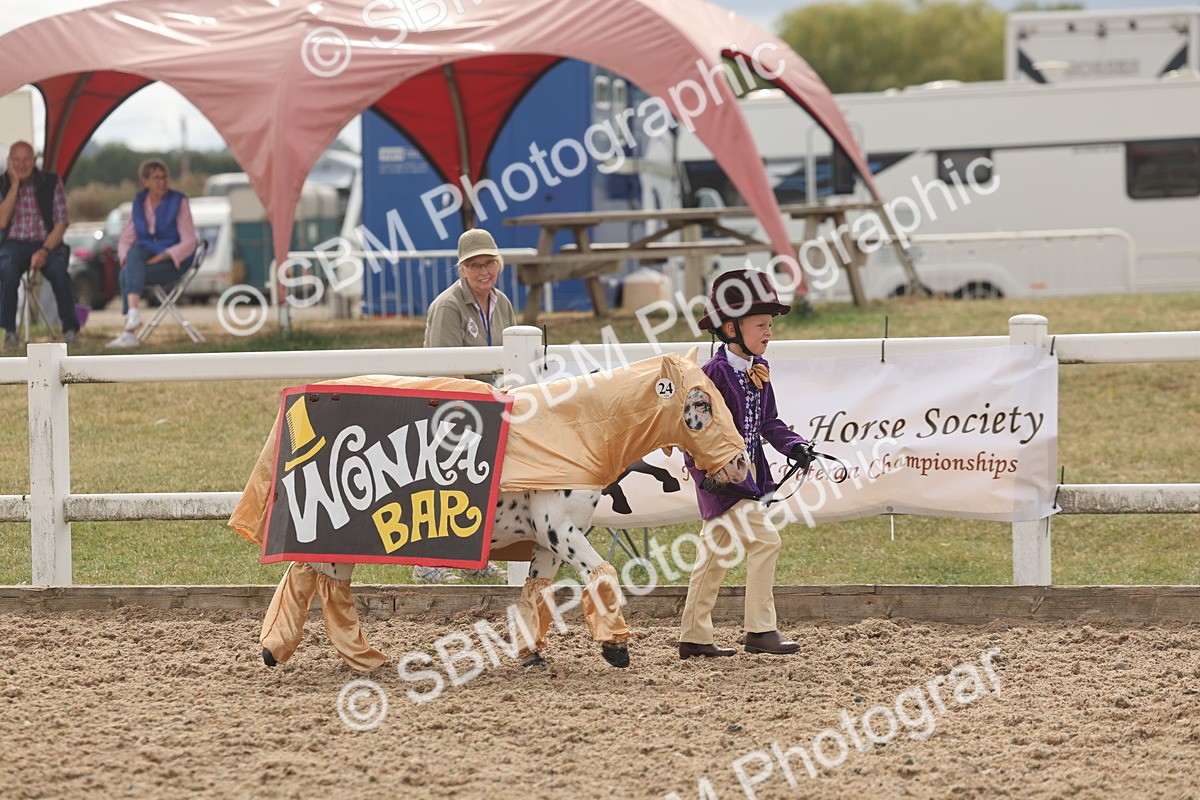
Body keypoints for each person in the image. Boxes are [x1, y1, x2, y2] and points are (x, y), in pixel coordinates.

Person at [678, 268, 812, 659]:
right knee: (766, 541)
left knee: (714, 557)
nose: (768, 331)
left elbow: (769, 421)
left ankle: (694, 636)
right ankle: (760, 629)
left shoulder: (759, 370)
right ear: (732, 328)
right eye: (760, 324)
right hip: (724, 481)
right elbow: (694, 429)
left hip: (748, 478)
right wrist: (707, 474)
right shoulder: (711, 375)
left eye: (770, 324)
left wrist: (796, 447)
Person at [416, 228, 516, 583]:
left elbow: (514, 361)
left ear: (498, 264)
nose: (483, 271)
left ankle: (475, 556)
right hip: (453, 408)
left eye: (489, 262)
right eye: (474, 265)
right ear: (461, 269)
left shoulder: (502, 303)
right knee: (445, 482)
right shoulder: (448, 306)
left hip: (492, 407)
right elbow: (442, 371)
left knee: (484, 483)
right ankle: (427, 563)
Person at [106, 159, 197, 348]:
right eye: (156, 178)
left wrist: (163, 256)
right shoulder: (139, 202)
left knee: (126, 274)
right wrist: (125, 259)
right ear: (145, 182)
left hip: (174, 261)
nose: (162, 182)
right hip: (146, 257)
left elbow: (189, 242)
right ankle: (132, 317)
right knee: (131, 257)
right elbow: (126, 238)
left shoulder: (179, 201)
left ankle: (129, 330)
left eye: (164, 177)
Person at [0, 141, 81, 349]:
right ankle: (9, 332)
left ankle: (70, 330)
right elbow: (2, 221)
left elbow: (61, 222)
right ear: (9, 162)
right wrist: (14, 185)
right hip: (14, 243)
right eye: (16, 160)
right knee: (7, 270)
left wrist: (45, 250)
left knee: (59, 272)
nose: (21, 164)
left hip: (47, 241)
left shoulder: (52, 181)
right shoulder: (2, 183)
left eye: (26, 159)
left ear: (35, 160)